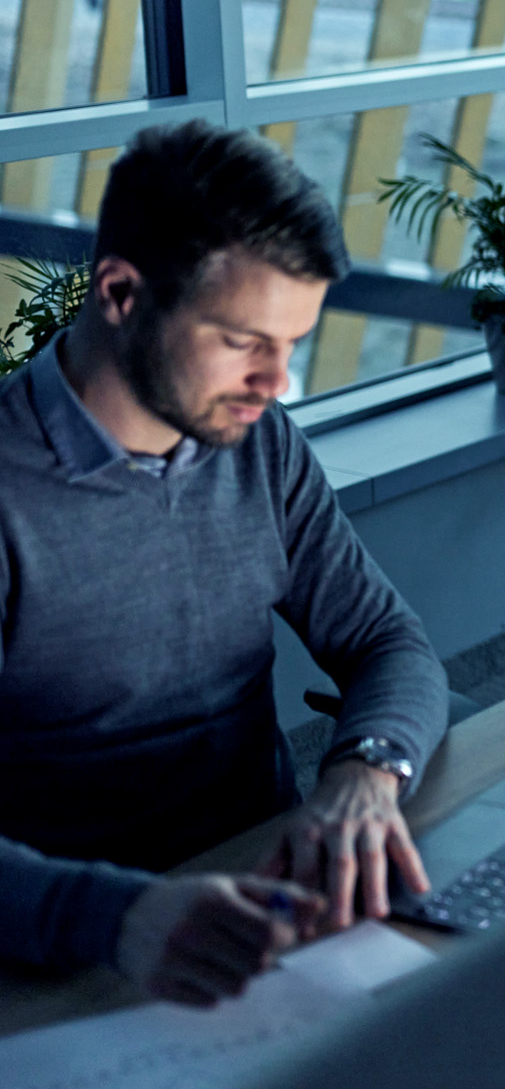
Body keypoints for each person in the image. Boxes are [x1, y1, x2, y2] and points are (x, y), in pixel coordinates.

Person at [0, 121, 449, 1006]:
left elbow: (388, 640)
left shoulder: (255, 441)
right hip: (83, 953)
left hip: (271, 898)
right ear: (122, 295)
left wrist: (366, 769)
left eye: (293, 345)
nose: (276, 383)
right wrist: (120, 918)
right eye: (246, 341)